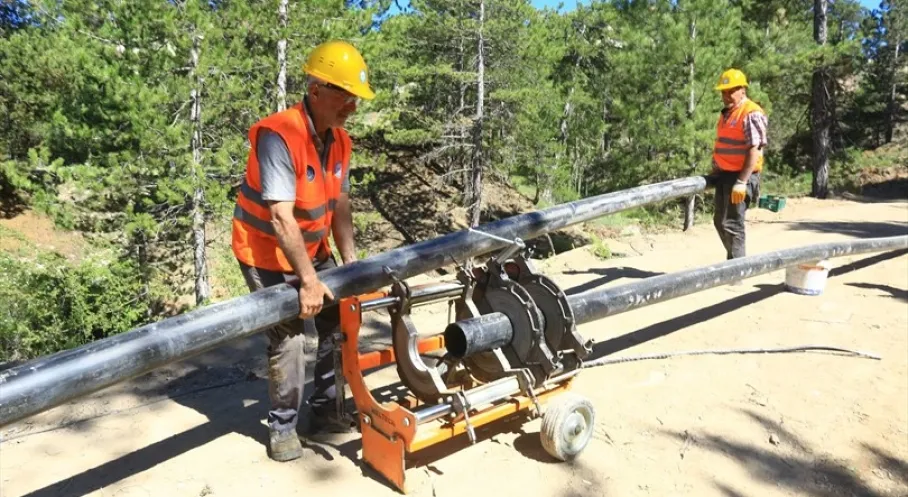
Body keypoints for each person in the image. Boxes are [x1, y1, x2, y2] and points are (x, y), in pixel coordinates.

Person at [231, 39, 375, 462]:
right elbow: (280, 218)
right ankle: (282, 428)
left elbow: (340, 203)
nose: (352, 106)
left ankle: (327, 409)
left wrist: (349, 262)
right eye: (344, 96)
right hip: (264, 251)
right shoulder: (279, 134)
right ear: (315, 90)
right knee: (291, 332)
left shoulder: (341, 141)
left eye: (356, 98)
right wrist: (308, 282)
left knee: (339, 317)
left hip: (311, 246)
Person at [709, 68, 768, 260]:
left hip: (741, 176)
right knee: (720, 221)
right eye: (723, 92)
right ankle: (735, 263)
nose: (726, 95)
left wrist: (742, 181)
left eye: (731, 90)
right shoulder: (727, 113)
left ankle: (737, 271)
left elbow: (754, 149)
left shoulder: (750, 113)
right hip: (725, 175)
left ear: (742, 89)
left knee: (733, 224)